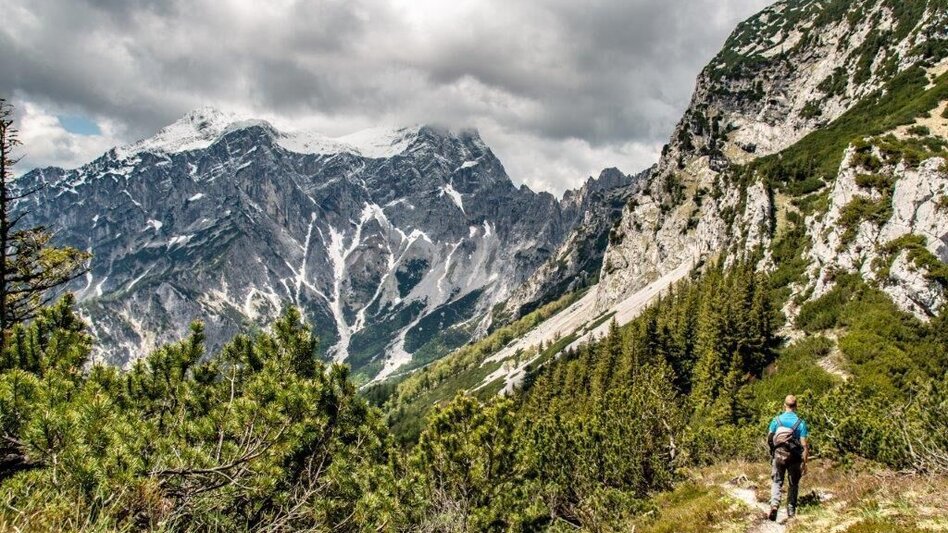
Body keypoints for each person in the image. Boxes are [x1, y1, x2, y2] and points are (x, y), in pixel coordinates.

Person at [766, 394, 809, 521]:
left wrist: (773, 452)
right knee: (793, 483)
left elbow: (769, 438)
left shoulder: (776, 420)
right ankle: (791, 510)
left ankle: (774, 505)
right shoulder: (800, 423)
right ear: (796, 406)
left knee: (777, 481)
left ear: (784, 405)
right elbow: (804, 445)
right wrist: (804, 463)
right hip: (794, 458)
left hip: (778, 455)